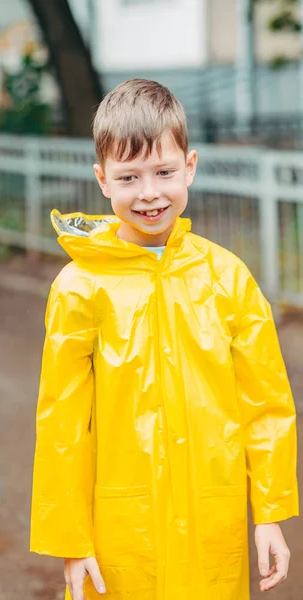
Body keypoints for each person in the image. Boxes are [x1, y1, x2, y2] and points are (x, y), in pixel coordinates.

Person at [30, 79, 299, 600]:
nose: (149, 192)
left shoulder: (228, 277)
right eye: (129, 177)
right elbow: (62, 422)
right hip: (119, 529)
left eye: (165, 172)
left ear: (190, 167)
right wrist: (71, 539)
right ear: (102, 180)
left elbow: (265, 405)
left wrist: (269, 514)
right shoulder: (80, 287)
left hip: (211, 518)